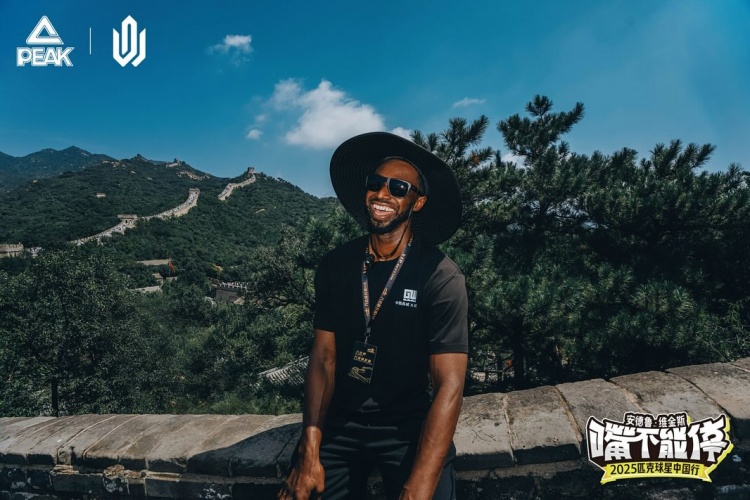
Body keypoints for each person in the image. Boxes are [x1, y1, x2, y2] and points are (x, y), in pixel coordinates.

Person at [279, 132, 468, 500]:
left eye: (398, 188)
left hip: (407, 426)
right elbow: (324, 358)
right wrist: (309, 448)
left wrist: (420, 485)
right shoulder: (336, 266)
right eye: (375, 183)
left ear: (417, 201)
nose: (382, 194)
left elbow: (449, 385)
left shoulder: (441, 277)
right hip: (342, 422)